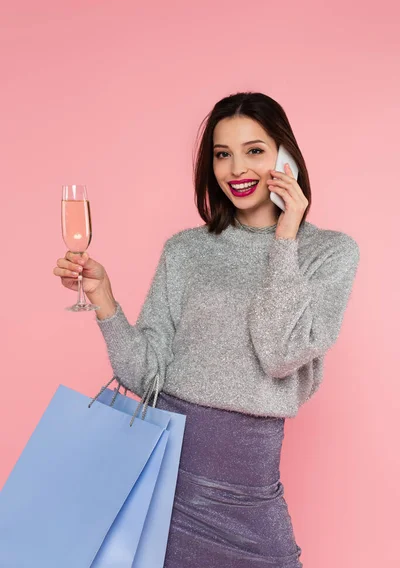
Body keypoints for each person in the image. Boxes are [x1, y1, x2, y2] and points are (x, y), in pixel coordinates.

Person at [53, 92, 360, 567]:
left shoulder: (329, 254)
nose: (236, 168)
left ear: (286, 158)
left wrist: (285, 238)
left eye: (254, 151)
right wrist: (103, 299)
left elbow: (279, 354)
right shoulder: (186, 250)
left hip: (250, 494)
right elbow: (145, 374)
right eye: (222, 154)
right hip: (164, 484)